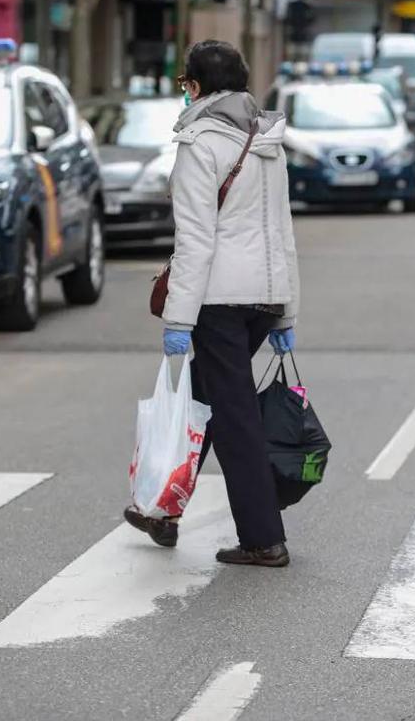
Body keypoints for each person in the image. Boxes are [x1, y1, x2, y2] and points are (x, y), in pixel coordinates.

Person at [124, 40, 300, 568]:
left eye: (185, 85)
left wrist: (178, 318)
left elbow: (195, 239)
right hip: (262, 296)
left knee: (233, 417)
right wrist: (286, 311)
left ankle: (263, 539)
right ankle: (163, 508)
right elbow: (283, 232)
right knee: (206, 396)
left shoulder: (200, 143)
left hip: (219, 301)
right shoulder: (267, 139)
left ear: (195, 88)